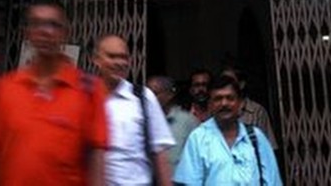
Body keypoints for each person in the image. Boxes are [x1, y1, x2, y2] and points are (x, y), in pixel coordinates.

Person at [0, 0, 107, 185]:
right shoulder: (4, 88)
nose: (45, 32)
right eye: (37, 24)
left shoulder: (89, 89)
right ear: (27, 32)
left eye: (54, 25)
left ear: (66, 33)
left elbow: (96, 159)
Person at [93, 36, 174, 186]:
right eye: (112, 56)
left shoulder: (143, 97)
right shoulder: (86, 97)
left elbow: (160, 154)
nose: (119, 62)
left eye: (124, 57)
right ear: (96, 59)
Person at [174, 75, 282, 186]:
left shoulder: (256, 138)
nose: (224, 103)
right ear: (210, 105)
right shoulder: (198, 138)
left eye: (230, 98)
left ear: (240, 103)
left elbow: (273, 181)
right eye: (218, 99)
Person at [219, 67, 278, 150]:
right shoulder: (217, 111)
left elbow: (269, 147)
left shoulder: (256, 111)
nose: (225, 85)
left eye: (230, 81)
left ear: (241, 84)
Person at [147, 75, 198, 171]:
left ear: (170, 95)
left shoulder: (187, 121)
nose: (149, 98)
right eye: (147, 94)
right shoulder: (142, 121)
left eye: (154, 93)